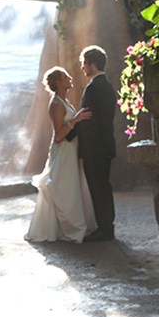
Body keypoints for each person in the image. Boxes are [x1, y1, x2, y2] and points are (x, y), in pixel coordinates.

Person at [25, 66, 97, 243]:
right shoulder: (56, 104)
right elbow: (58, 135)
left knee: (72, 187)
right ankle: (72, 229)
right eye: (66, 77)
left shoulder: (64, 101)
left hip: (70, 149)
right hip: (63, 150)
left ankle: (72, 226)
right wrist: (76, 120)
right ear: (58, 82)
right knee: (64, 189)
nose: (70, 78)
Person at [66, 45, 117, 242]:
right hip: (105, 145)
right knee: (103, 186)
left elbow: (86, 119)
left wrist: (67, 136)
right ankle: (107, 226)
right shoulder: (107, 86)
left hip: (95, 148)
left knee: (98, 187)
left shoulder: (93, 88)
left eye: (84, 64)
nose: (82, 68)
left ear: (93, 64)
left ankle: (105, 229)